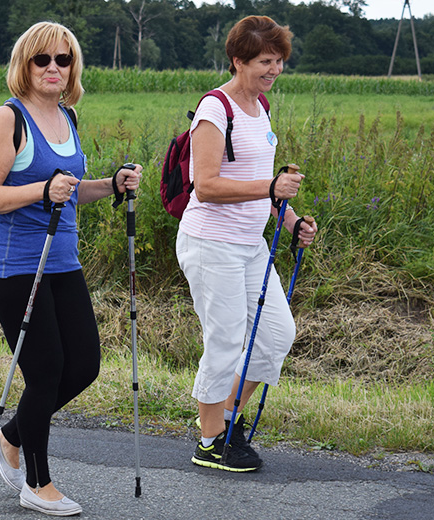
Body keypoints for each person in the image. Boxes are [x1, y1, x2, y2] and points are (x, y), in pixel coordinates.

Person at [0, 21, 142, 516]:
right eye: (41, 59)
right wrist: (39, 191)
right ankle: (36, 483)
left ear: (73, 67)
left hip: (62, 260)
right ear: (25, 64)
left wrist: (111, 184)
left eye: (62, 60)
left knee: (84, 365)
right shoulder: (11, 118)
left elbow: (71, 187)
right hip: (14, 264)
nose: (52, 68)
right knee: (45, 371)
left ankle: (8, 437)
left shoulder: (68, 116)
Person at [175, 15, 318, 472]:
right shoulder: (216, 110)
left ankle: (228, 419)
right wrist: (271, 189)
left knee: (277, 335)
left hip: (250, 245)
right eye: (264, 61)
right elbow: (208, 186)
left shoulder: (263, 108)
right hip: (210, 242)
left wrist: (291, 221)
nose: (274, 70)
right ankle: (209, 441)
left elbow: (268, 188)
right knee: (225, 341)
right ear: (238, 61)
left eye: (279, 61)